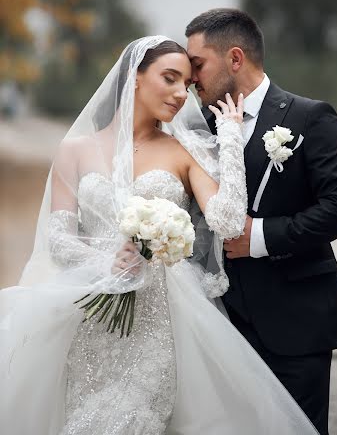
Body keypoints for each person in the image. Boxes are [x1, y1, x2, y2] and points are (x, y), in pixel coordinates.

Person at [0, 36, 318, 435]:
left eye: (186, 85)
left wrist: (232, 137)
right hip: (88, 318)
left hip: (159, 320)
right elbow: (59, 239)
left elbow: (227, 221)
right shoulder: (74, 150)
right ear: (135, 76)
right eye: (169, 78)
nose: (179, 94)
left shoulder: (184, 151)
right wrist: (106, 262)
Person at [186, 9, 337, 435]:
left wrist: (261, 236)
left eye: (197, 65)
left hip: (297, 322)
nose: (191, 78)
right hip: (223, 325)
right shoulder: (197, 129)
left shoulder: (308, 117)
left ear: (234, 59)